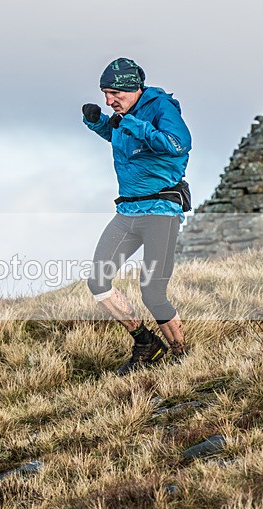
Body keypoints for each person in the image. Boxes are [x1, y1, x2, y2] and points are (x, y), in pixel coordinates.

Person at [81, 58, 190, 376]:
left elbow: (178, 144)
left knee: (152, 291)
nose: (109, 100)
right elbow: (124, 140)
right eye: (104, 93)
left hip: (160, 210)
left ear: (133, 89)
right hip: (127, 211)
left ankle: (182, 356)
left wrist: (135, 123)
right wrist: (100, 123)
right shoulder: (121, 114)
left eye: (114, 93)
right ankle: (146, 343)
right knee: (98, 281)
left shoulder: (161, 108)